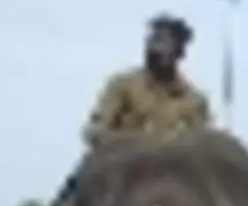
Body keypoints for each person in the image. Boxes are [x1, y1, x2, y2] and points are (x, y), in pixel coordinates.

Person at [81, 13, 213, 149]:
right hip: (126, 163)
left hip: (174, 166)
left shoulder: (194, 101)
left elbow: (204, 144)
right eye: (151, 41)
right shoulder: (123, 86)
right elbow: (95, 129)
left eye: (162, 42)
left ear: (179, 51)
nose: (154, 49)